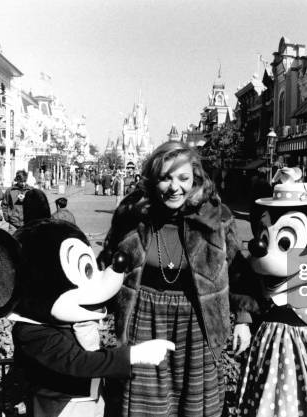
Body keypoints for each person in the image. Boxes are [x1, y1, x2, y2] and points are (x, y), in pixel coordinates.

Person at [98, 141, 255, 416]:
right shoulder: (132, 215)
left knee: (194, 408)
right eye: (165, 178)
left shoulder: (216, 218)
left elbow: (238, 271)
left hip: (198, 321)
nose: (174, 187)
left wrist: (243, 318)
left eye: (182, 178)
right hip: (143, 319)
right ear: (152, 179)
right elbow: (108, 264)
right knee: (142, 407)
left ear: (195, 178)